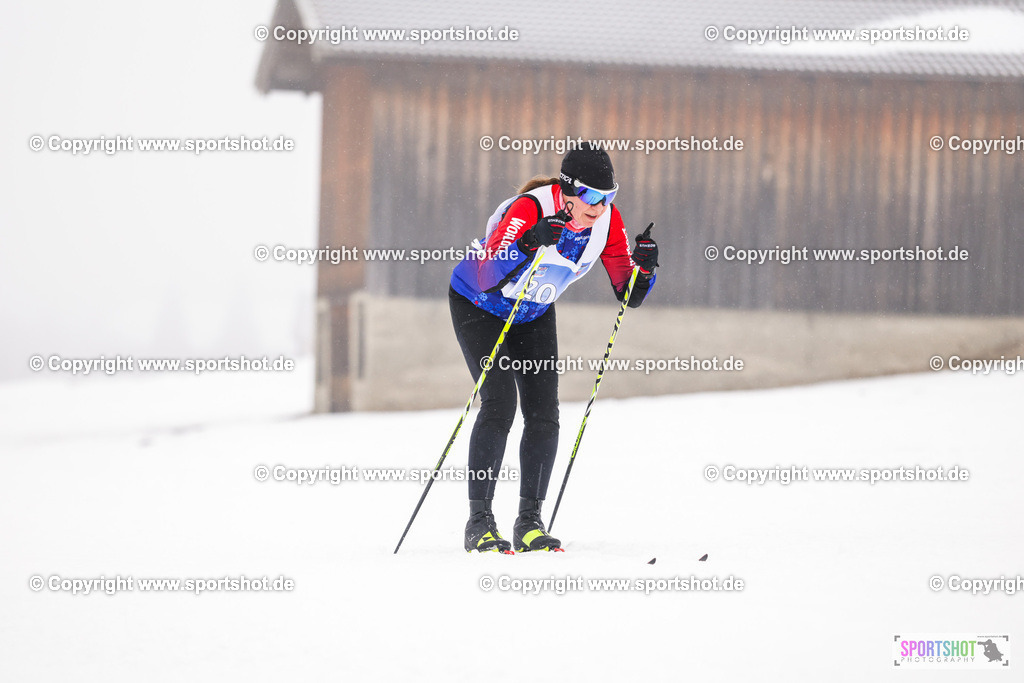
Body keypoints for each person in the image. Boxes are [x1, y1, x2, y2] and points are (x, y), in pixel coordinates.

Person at [449, 143, 659, 553]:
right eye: (592, 197)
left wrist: (647, 268)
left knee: (544, 413)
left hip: (533, 310)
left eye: (609, 196)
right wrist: (529, 241)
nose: (600, 208)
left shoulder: (607, 223)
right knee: (499, 403)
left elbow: (627, 293)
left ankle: (529, 522)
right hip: (479, 304)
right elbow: (489, 271)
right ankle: (479, 523)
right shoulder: (529, 208)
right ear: (567, 191)